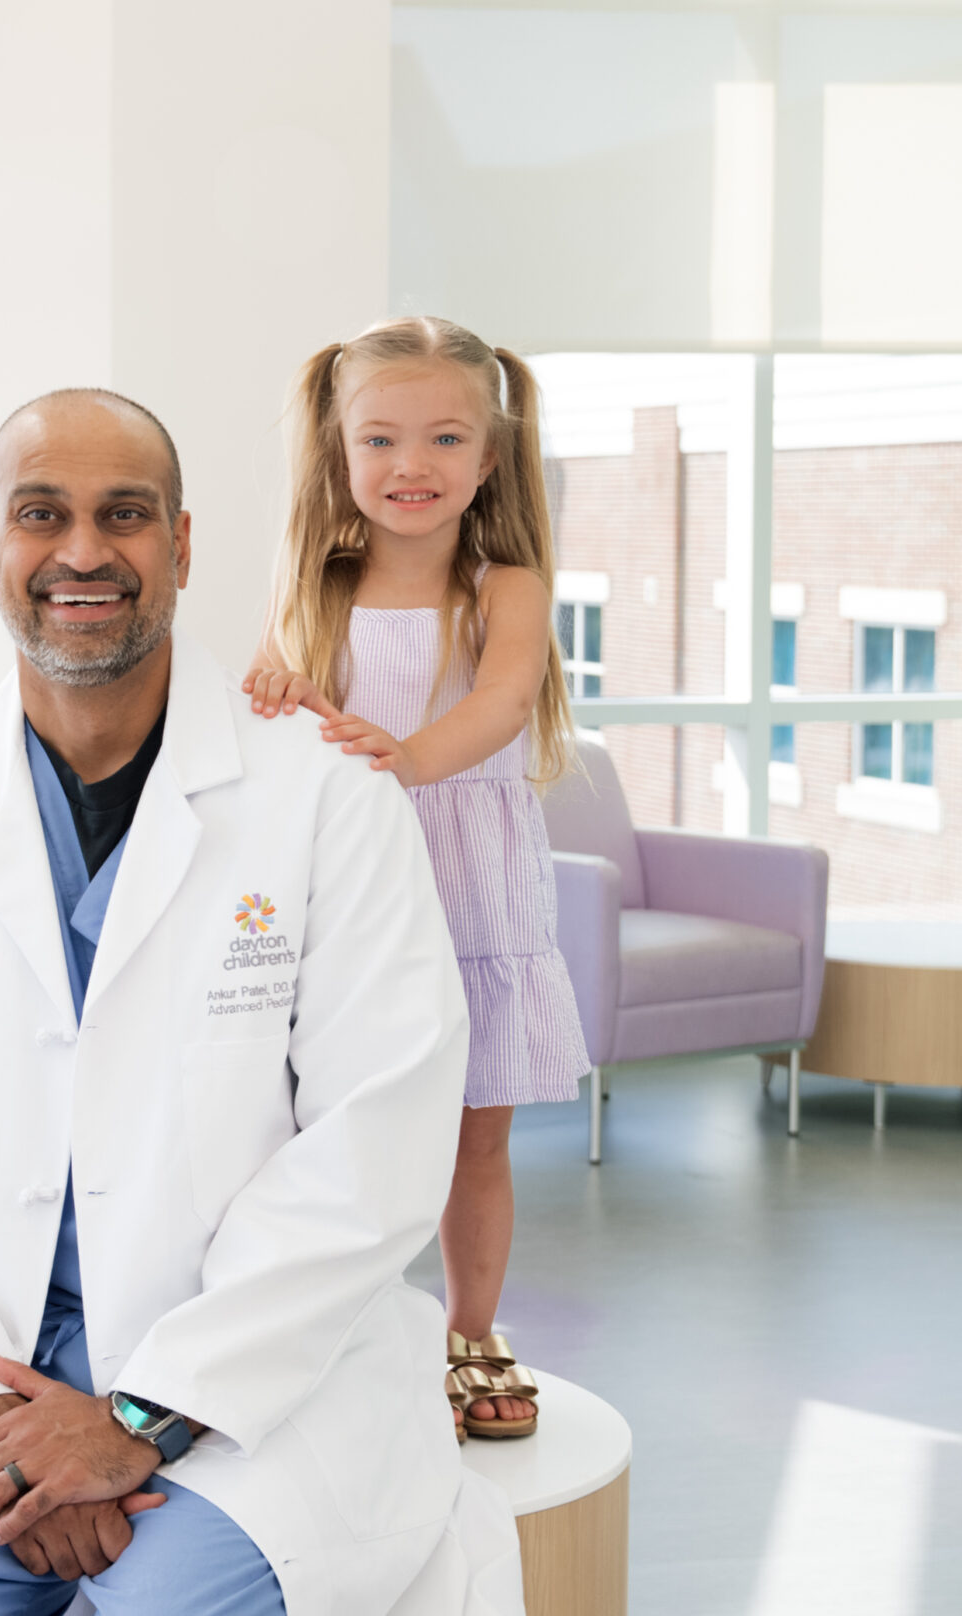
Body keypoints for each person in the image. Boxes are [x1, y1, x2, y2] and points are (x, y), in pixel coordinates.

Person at [0, 387, 524, 1616]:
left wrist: (133, 1416)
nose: (82, 551)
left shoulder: (327, 799)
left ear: (179, 545)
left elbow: (378, 1142)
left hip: (256, 1376)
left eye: (123, 515)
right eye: (41, 515)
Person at [242, 316, 590, 1442]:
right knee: (335, 1125)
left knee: (471, 1137)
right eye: (381, 439)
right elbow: (270, 698)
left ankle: (471, 1330)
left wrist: (403, 759)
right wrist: (281, 696)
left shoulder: (509, 584)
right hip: (353, 889)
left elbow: (497, 704)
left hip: (472, 881)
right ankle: (335, 1331)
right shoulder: (315, 585)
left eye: (445, 438)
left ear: (487, 459)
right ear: (340, 454)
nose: (411, 465)